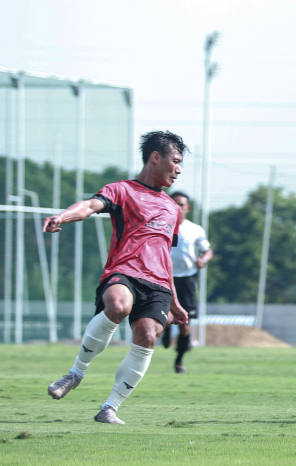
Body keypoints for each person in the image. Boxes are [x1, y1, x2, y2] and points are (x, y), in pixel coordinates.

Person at [43, 131, 190, 425]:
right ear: (155, 157)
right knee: (118, 306)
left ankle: (109, 407)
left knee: (148, 336)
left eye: (181, 163)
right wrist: (62, 216)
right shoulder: (121, 190)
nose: (179, 169)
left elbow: (164, 256)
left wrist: (174, 301)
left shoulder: (173, 209)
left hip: (159, 284)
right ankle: (75, 373)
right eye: (175, 161)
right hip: (125, 272)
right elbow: (89, 206)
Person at [161, 191, 213, 374]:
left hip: (187, 280)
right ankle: (166, 328)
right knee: (165, 318)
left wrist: (203, 260)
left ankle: (179, 361)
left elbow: (207, 250)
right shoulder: (161, 225)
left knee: (185, 324)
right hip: (164, 277)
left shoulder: (195, 229)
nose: (177, 207)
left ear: (187, 208)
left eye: (181, 204)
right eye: (174, 203)